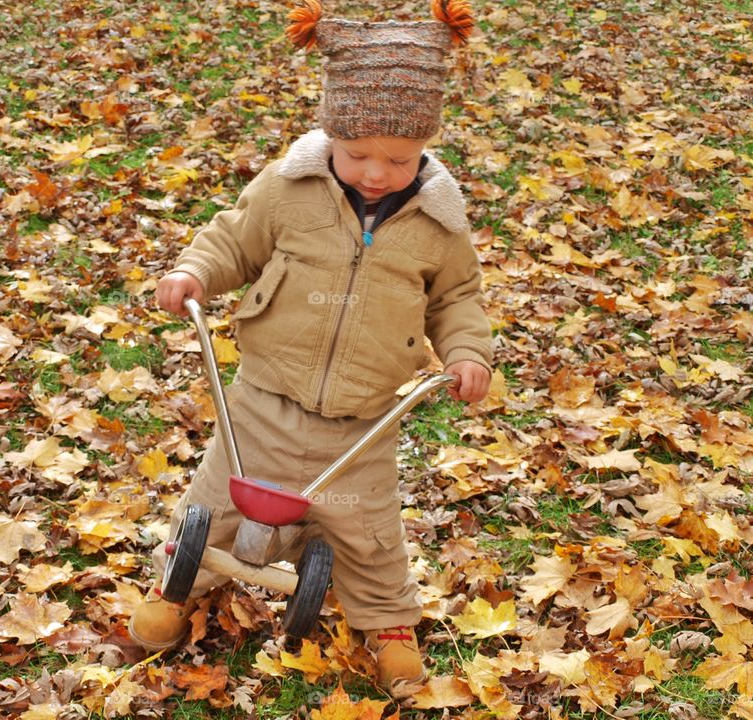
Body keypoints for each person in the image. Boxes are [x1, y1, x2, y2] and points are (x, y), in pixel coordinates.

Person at [129, 0, 490, 698]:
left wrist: (467, 351)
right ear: (329, 133)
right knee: (213, 504)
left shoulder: (439, 224)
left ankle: (388, 626)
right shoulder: (289, 188)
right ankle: (176, 589)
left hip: (362, 420)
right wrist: (195, 272)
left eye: (397, 158)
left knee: (369, 532)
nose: (376, 172)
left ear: (425, 148)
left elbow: (457, 299)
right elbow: (235, 239)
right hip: (264, 399)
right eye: (357, 154)